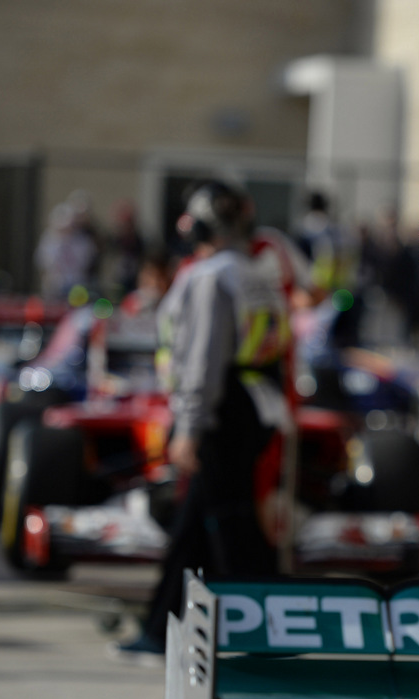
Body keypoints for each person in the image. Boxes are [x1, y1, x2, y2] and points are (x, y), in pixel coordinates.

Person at [114, 180, 289, 658]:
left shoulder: (208, 276)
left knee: (227, 525)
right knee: (202, 525)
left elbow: (201, 360)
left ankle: (270, 629)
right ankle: (163, 627)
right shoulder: (256, 272)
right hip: (252, 406)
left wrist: (188, 428)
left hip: (219, 412)